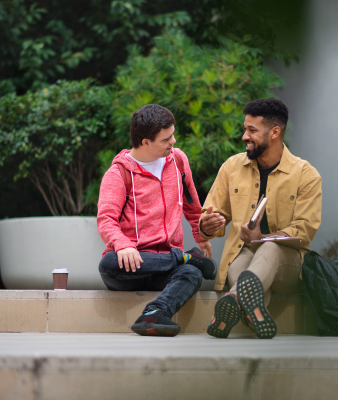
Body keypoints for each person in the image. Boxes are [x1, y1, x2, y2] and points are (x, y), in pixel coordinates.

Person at [199, 98, 322, 339]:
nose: (245, 136)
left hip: (286, 264)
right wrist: (206, 225)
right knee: (242, 268)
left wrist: (262, 237)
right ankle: (250, 307)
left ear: (275, 132)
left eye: (252, 130)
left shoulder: (305, 174)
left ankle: (233, 297)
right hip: (242, 254)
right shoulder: (231, 167)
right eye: (245, 128)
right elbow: (211, 216)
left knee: (270, 249)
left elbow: (305, 229)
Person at [97, 104, 217, 337]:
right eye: (166, 139)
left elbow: (192, 202)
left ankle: (154, 314)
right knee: (108, 264)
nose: (173, 142)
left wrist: (200, 236)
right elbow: (106, 220)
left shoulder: (178, 160)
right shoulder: (118, 174)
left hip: (164, 266)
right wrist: (123, 245)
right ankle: (185, 257)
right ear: (145, 142)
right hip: (133, 265)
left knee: (192, 274)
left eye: (172, 135)